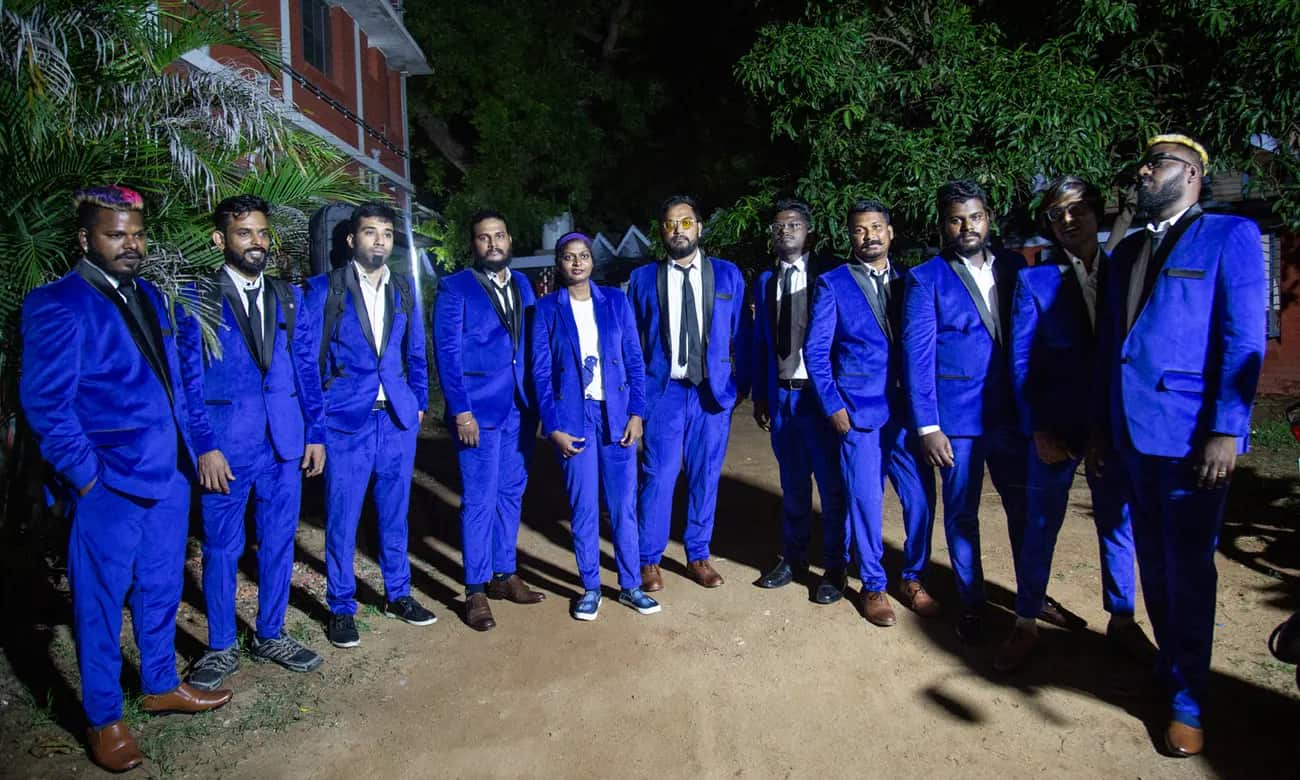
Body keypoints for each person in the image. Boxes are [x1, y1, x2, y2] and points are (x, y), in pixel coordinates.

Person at [20, 186, 231, 773]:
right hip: (108, 486)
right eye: (116, 234)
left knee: (162, 588)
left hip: (166, 478)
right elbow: (47, 408)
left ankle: (160, 683)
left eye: (136, 233)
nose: (130, 244)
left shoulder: (147, 296)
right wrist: (88, 481)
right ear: (86, 238)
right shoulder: (56, 303)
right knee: (99, 605)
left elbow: (170, 382)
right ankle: (105, 719)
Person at [1097, 135, 1265, 756]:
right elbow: (1111, 349)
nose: (1143, 171)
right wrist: (1103, 429)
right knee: (1157, 569)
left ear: (1191, 174)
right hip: (1132, 438)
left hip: (1192, 439)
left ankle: (1188, 704)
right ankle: (1171, 670)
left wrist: (1227, 429)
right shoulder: (1128, 250)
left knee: (1189, 573)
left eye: (1156, 163)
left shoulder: (1230, 236)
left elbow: (1243, 339)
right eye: (1144, 163)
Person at [903, 180, 1082, 644]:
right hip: (956, 424)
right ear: (944, 225)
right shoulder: (926, 277)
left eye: (975, 217)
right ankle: (973, 602)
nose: (967, 226)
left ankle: (1031, 595)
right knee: (962, 515)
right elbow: (917, 358)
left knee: (1024, 509)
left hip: (1012, 416)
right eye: (957, 219)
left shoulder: (1012, 265)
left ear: (989, 219)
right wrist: (928, 426)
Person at [996, 177, 1148, 672]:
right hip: (1054, 428)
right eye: (1057, 214)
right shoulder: (1035, 280)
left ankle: (1122, 621)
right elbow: (1020, 363)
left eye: (1077, 210)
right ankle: (1024, 622)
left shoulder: (1127, 270)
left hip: (1114, 426)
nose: (1067, 220)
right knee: (1041, 525)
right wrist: (1037, 429)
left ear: (1097, 213)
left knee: (1117, 525)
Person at [179, 195, 327, 691]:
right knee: (222, 546)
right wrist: (204, 446)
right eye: (245, 234)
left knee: (280, 540)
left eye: (262, 233)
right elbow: (187, 382)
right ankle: (221, 646)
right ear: (221, 240)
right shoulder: (195, 297)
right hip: (226, 447)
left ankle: (271, 633)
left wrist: (315, 433)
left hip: (284, 444)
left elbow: (307, 369)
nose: (257, 242)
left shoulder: (289, 296)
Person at [305, 201, 434, 649]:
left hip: (396, 420)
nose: (379, 240)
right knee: (343, 517)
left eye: (385, 233)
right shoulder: (325, 289)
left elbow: (417, 352)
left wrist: (418, 401)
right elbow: (310, 362)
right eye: (369, 232)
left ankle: (398, 593)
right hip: (347, 421)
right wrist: (317, 419)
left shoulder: (403, 288)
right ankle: (342, 605)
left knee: (395, 515)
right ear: (351, 240)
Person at [805, 200, 940, 626]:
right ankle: (874, 585)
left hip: (908, 415)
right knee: (865, 502)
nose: (870, 237)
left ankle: (913, 577)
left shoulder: (912, 280)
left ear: (891, 232)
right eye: (861, 231)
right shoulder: (833, 283)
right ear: (851, 237)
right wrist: (833, 405)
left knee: (920, 500)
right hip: (858, 415)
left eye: (877, 228)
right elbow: (815, 351)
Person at [530, 232, 659, 619]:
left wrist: (637, 413)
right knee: (583, 506)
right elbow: (539, 373)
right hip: (573, 418)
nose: (577, 263)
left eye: (583, 256)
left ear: (592, 261)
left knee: (623, 506)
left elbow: (636, 360)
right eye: (569, 257)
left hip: (616, 414)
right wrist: (551, 425)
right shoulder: (547, 309)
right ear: (559, 262)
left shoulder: (616, 302)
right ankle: (590, 587)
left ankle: (631, 585)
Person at [627, 195, 747, 591]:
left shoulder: (728, 275)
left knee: (705, 474)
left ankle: (698, 554)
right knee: (658, 475)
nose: (677, 230)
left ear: (699, 227)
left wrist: (738, 383)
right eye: (669, 224)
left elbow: (740, 336)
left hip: (711, 394)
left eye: (685, 222)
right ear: (661, 231)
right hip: (665, 392)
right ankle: (648, 559)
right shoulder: (644, 279)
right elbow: (633, 342)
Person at [433, 209, 544, 632]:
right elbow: (448, 354)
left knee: (511, 492)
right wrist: (461, 410)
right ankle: (475, 590)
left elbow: (532, 344)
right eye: (484, 238)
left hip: (519, 406)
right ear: (474, 244)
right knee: (479, 499)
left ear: (510, 239)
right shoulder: (455, 288)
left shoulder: (522, 283)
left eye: (499, 236)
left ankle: (504, 574)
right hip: (477, 411)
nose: (493, 244)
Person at [749, 199, 848, 603]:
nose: (784, 231)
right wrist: (761, 395)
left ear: (808, 232)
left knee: (831, 486)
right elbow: (759, 343)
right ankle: (793, 558)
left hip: (819, 398)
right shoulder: (765, 282)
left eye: (792, 225)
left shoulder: (831, 275)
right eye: (777, 226)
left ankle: (836, 566)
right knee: (792, 486)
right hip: (783, 397)